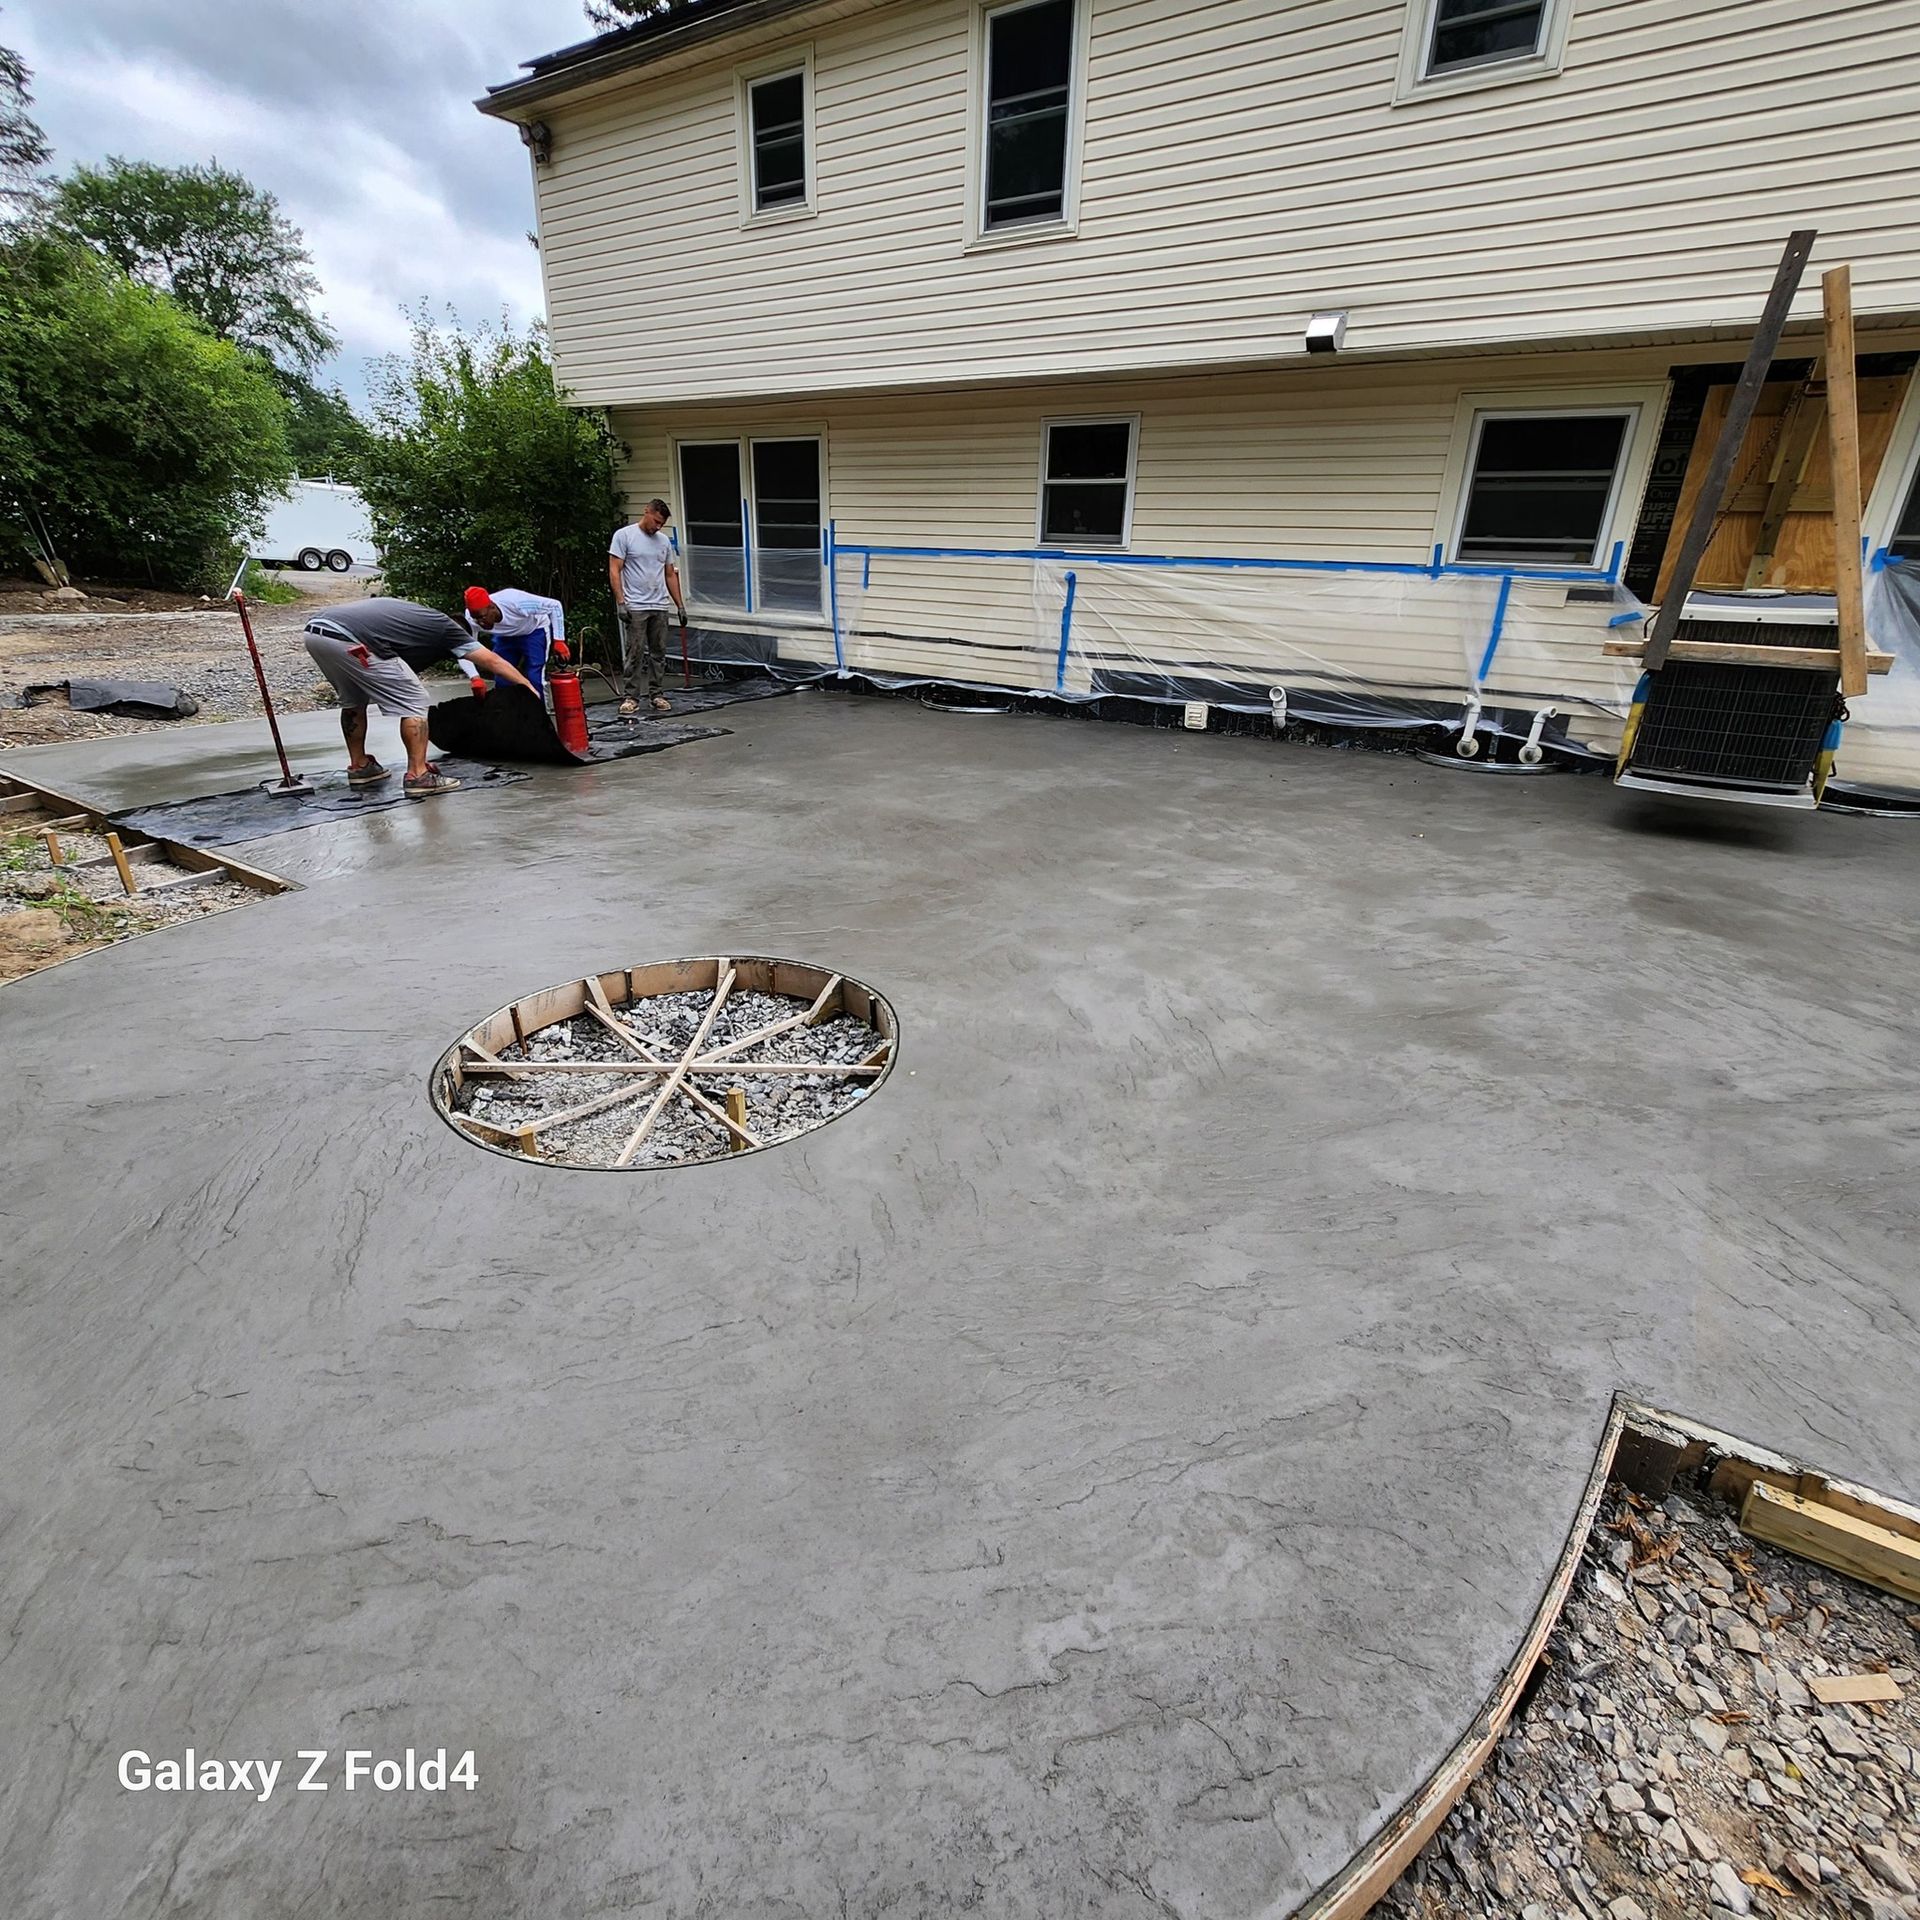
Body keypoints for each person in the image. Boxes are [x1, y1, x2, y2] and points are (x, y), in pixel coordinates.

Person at [303, 597, 536, 797]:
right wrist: (526, 685)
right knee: (415, 701)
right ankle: (418, 775)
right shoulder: (449, 629)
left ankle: (360, 766)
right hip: (352, 638)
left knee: (354, 699)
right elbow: (492, 660)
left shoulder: (419, 622)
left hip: (316, 632)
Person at [608, 498, 688, 717]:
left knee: (658, 652)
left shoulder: (663, 542)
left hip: (659, 604)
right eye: (656, 521)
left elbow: (670, 574)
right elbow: (614, 570)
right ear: (647, 512)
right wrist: (621, 602)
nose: (658, 527)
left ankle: (657, 694)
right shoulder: (624, 536)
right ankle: (631, 697)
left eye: (661, 524)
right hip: (636, 605)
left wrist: (679, 605)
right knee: (635, 652)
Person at [463, 586, 566, 700]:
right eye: (475, 618)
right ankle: (507, 713)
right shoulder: (471, 619)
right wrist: (474, 677)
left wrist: (559, 640)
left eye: (482, 617)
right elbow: (464, 648)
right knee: (502, 678)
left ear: (492, 607)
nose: (480, 623)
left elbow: (555, 606)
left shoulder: (516, 602)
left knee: (534, 677)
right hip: (505, 637)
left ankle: (539, 712)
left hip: (533, 631)